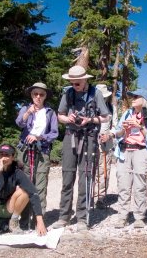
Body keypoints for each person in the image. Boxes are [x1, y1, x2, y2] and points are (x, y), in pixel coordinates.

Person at [52, 65, 110, 231]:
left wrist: (90, 120)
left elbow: (105, 118)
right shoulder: (68, 93)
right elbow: (60, 115)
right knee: (67, 176)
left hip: (88, 137)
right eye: (72, 82)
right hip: (70, 136)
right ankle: (64, 216)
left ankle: (82, 218)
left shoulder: (95, 93)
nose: (74, 85)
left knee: (85, 177)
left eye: (77, 82)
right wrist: (68, 119)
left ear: (85, 80)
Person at [0, 144, 47, 241]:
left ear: (12, 157)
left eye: (7, 155)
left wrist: (39, 220)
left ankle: (13, 222)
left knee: (24, 191)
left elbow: (33, 192)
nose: (4, 157)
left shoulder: (17, 171)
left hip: (8, 208)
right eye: (1, 155)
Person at [111, 88, 147, 229]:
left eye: (136, 97)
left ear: (143, 100)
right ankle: (122, 217)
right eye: (132, 96)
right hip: (125, 150)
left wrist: (140, 126)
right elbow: (118, 132)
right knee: (123, 184)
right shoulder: (126, 114)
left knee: (140, 186)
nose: (132, 98)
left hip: (141, 151)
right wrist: (122, 130)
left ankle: (139, 217)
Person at [15, 82, 58, 229]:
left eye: (41, 94)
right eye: (35, 94)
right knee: (25, 184)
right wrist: (28, 113)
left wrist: (39, 137)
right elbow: (19, 123)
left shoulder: (50, 112)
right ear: (31, 95)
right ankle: (23, 219)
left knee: (40, 185)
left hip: (42, 151)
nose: (38, 97)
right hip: (25, 151)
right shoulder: (25, 109)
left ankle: (38, 220)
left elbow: (54, 133)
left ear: (45, 96)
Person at [94, 84, 117, 208]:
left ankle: (101, 198)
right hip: (91, 143)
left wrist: (109, 135)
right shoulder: (90, 107)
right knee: (91, 171)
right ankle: (90, 196)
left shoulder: (111, 108)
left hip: (106, 144)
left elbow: (116, 126)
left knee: (104, 171)